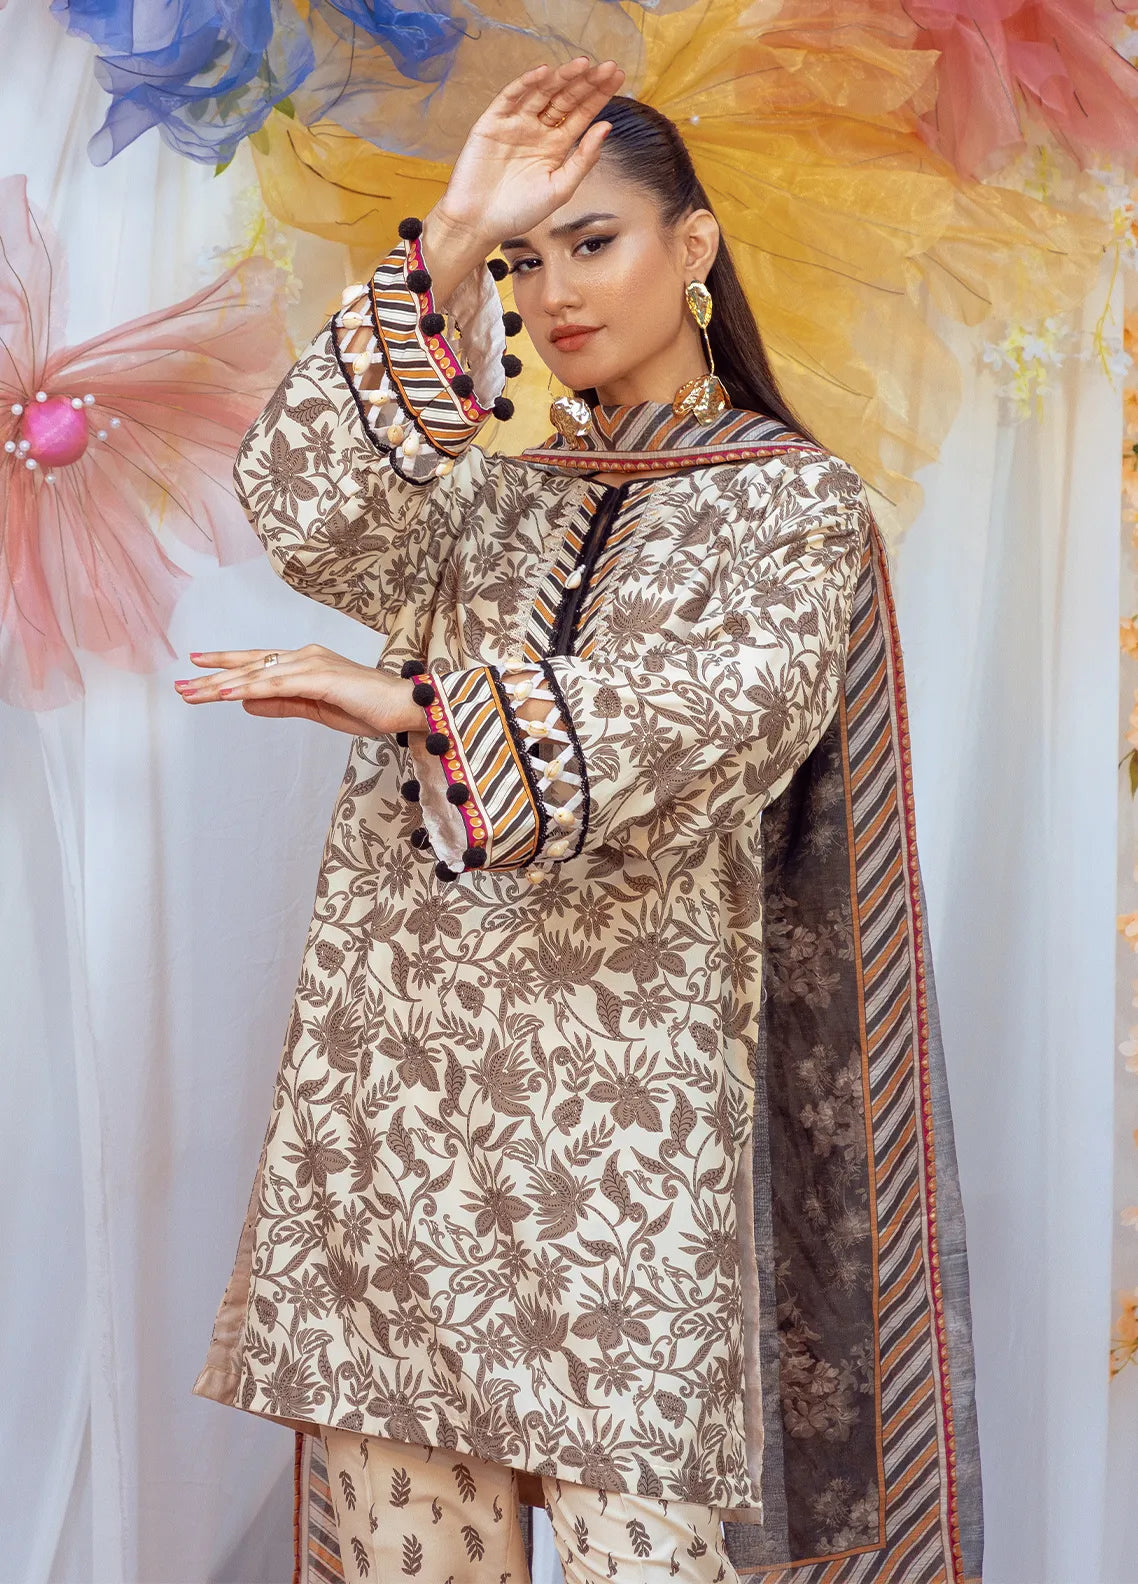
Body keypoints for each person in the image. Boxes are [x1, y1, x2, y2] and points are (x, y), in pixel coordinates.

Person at [185, 56, 982, 1584]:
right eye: (523, 259)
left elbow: (722, 713)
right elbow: (302, 504)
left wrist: (414, 704)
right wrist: (450, 234)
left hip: (626, 1148)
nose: (552, 293)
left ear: (694, 247)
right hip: (401, 1123)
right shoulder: (482, 503)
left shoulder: (790, 502)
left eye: (591, 241)